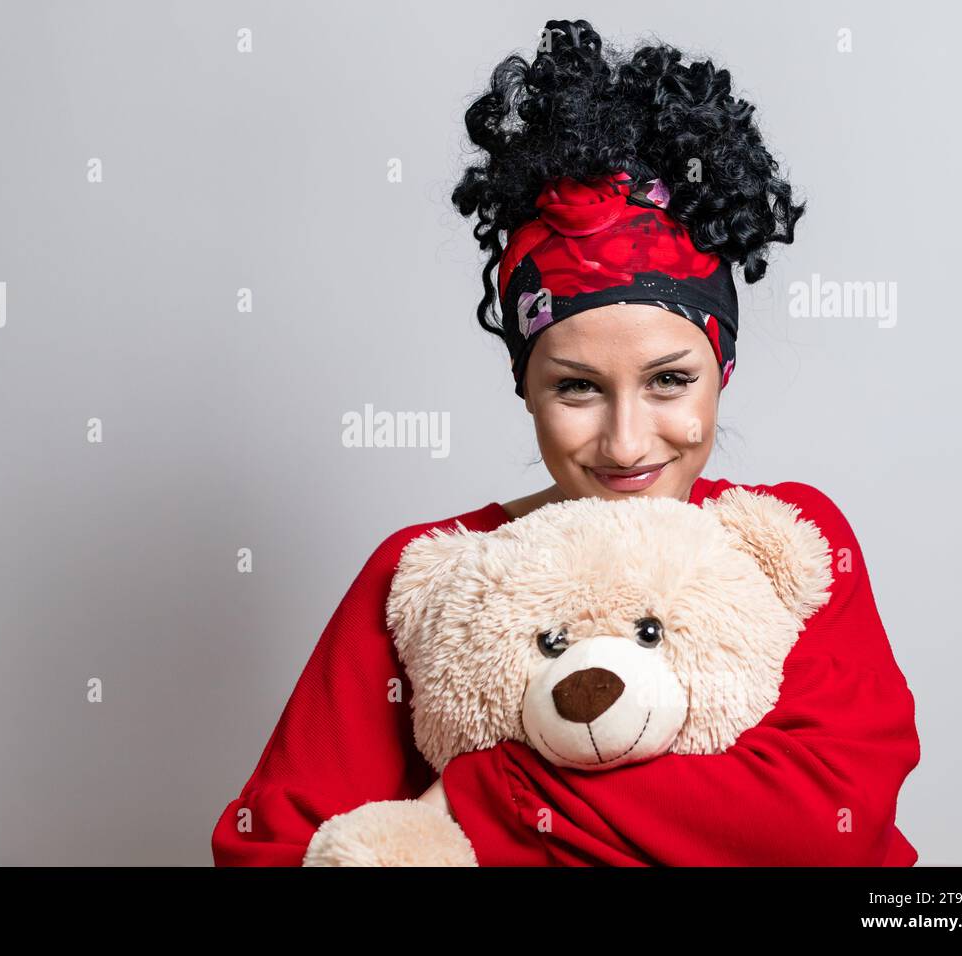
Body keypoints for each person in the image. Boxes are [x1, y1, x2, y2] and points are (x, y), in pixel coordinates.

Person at [211, 21, 921, 866]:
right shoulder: (433, 571)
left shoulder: (792, 543)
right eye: (576, 387)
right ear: (526, 387)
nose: (626, 445)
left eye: (669, 380)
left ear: (722, 366)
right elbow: (269, 847)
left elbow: (819, 827)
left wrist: (488, 801)